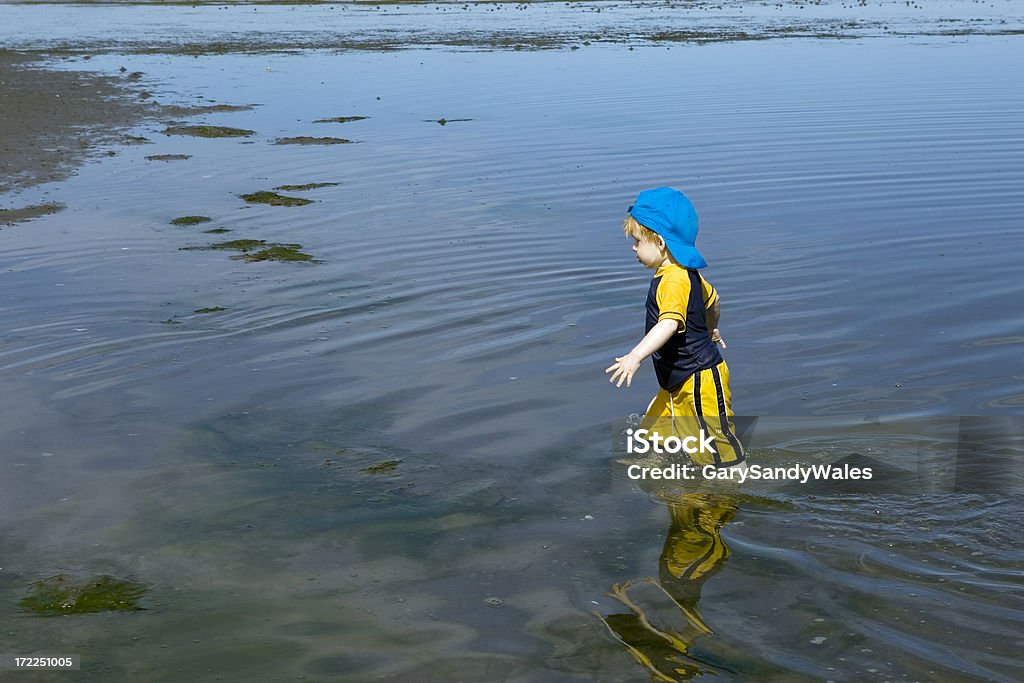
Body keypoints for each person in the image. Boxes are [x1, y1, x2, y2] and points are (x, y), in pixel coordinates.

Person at [606, 187, 745, 469]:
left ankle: (736, 486)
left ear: (658, 242)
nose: (633, 248)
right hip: (678, 377)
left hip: (699, 376)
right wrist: (712, 329)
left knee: (717, 445)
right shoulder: (683, 273)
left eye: (636, 241)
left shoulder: (673, 280)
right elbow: (713, 301)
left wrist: (635, 356)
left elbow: (668, 323)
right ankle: (660, 467)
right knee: (655, 429)